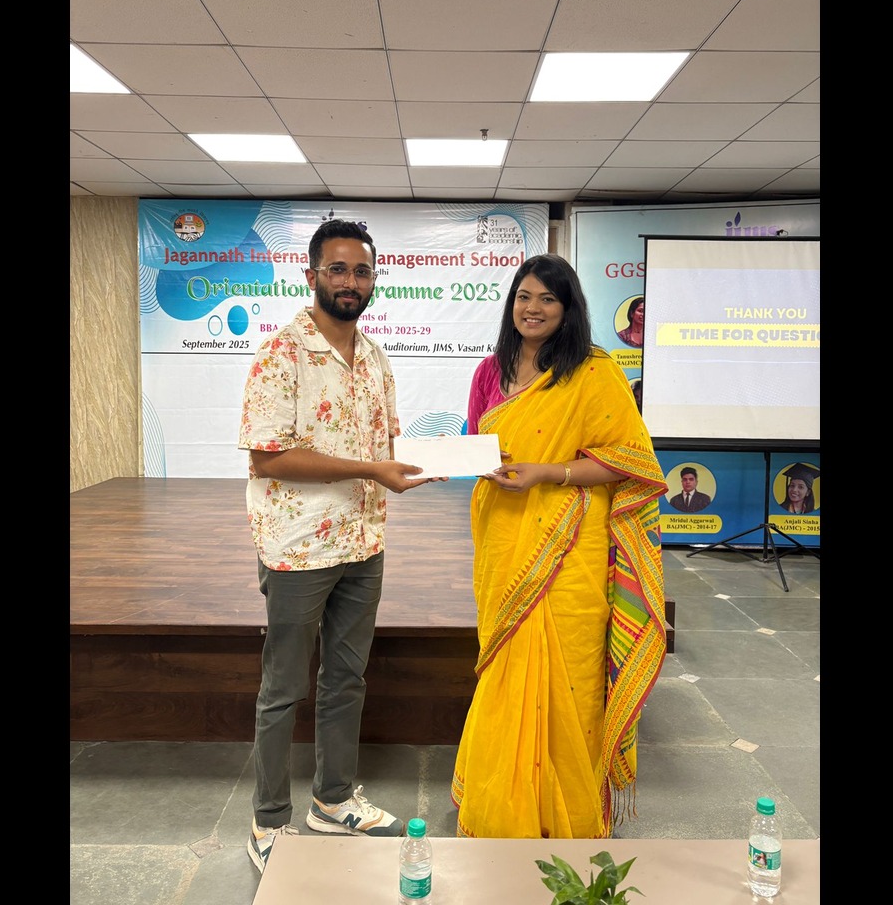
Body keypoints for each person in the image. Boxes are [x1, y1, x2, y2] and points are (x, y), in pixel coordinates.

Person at [236, 218, 440, 874]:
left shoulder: (375, 357)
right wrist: (371, 469)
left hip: (363, 541)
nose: (351, 281)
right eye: (338, 269)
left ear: (373, 280)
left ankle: (333, 799)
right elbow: (269, 458)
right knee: (283, 688)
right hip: (298, 548)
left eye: (361, 271)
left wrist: (443, 459)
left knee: (346, 678)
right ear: (312, 276)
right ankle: (270, 821)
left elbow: (386, 446)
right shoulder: (281, 354)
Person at [454, 253, 668, 840]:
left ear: (568, 308)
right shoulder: (490, 371)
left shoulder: (594, 372)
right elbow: (476, 442)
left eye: (548, 298)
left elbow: (630, 461)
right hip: (504, 533)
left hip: (570, 544)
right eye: (524, 296)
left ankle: (566, 811)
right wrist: (473, 461)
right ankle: (502, 806)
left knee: (568, 673)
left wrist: (548, 473)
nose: (534, 308)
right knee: (506, 664)